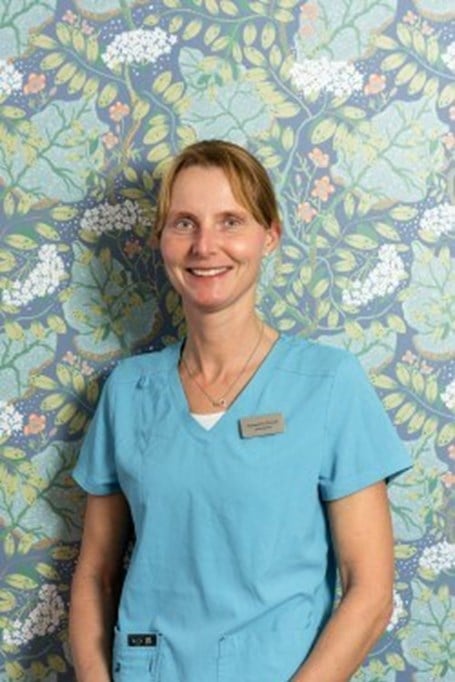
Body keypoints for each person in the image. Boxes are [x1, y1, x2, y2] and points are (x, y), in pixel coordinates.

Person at [69, 139, 412, 682]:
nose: (205, 246)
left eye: (230, 221)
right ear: (161, 239)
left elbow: (369, 592)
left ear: (269, 235)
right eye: (184, 223)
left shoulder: (329, 384)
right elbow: (96, 575)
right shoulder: (129, 391)